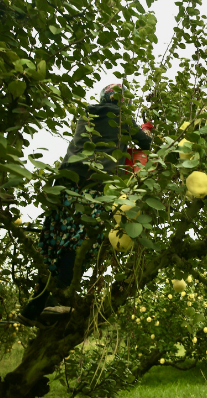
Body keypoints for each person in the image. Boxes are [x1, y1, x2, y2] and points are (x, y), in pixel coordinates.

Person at [17, 84, 153, 326]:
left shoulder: (86, 113)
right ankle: (60, 297)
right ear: (121, 101)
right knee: (76, 240)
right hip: (95, 184)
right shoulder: (121, 117)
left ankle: (34, 306)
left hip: (67, 181)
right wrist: (145, 129)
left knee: (54, 238)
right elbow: (145, 143)